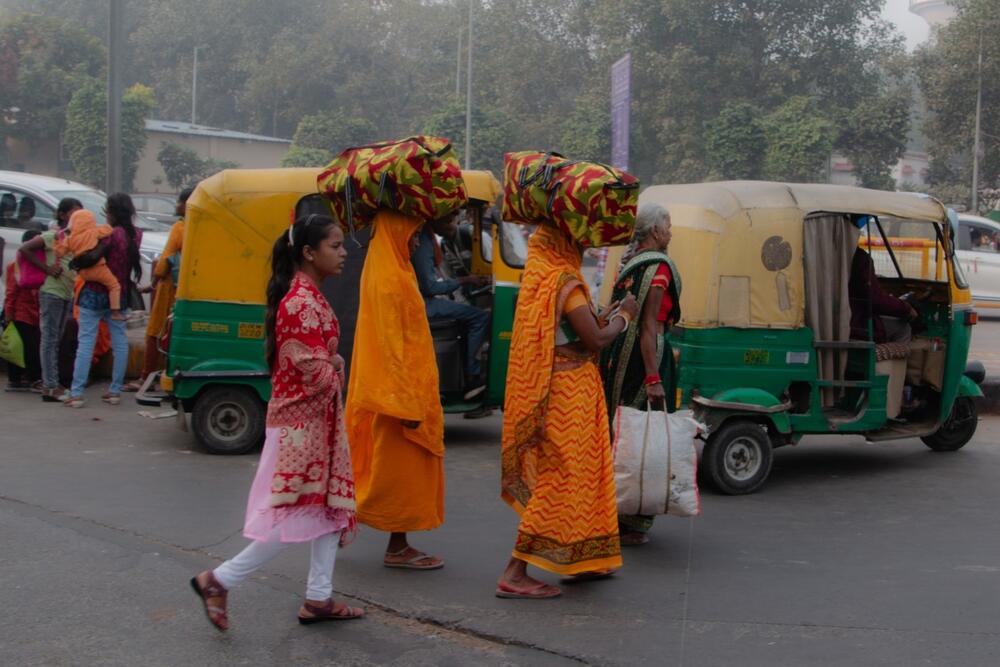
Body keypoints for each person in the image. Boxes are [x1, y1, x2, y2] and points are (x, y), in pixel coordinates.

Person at [190, 214, 363, 631]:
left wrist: (331, 362)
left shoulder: (308, 295)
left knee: (328, 509)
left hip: (313, 423)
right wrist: (337, 364)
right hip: (300, 428)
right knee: (291, 514)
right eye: (335, 246)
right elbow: (313, 371)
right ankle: (219, 579)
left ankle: (319, 597)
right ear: (308, 252)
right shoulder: (302, 302)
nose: (343, 253)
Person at [497, 224, 639, 599]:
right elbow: (594, 339)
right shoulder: (566, 282)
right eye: (577, 239)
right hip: (567, 394)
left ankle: (586, 558)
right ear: (563, 243)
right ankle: (515, 570)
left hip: (561, 387)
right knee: (561, 476)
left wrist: (600, 315)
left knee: (582, 474)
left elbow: (573, 328)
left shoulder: (539, 275)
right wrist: (624, 316)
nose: (583, 245)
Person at [346, 210, 446, 570]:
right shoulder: (389, 276)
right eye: (413, 232)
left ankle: (339, 523)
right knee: (394, 476)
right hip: (398, 399)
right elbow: (389, 344)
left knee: (379, 473)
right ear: (397, 231)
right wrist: (406, 405)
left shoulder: (394, 265)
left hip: (404, 391)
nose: (417, 240)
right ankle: (397, 547)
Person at [600, 204, 681, 546]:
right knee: (641, 439)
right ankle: (629, 520)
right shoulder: (658, 267)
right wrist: (654, 378)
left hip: (617, 357)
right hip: (646, 359)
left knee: (619, 433)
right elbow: (649, 326)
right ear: (655, 232)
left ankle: (608, 511)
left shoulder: (630, 265)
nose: (671, 233)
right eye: (668, 227)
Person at [63, 193, 143, 408]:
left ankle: (77, 393)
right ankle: (115, 391)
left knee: (86, 342)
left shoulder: (109, 234)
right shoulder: (136, 234)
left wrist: (75, 263)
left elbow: (89, 256)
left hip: (94, 292)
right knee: (119, 342)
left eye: (107, 210)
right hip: (120, 294)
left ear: (112, 211)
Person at [411, 213, 491, 399]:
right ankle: (472, 375)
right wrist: (466, 279)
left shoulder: (437, 239)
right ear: (433, 219)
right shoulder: (424, 243)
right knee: (480, 317)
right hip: (424, 302)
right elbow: (431, 286)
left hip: (428, 298)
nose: (450, 225)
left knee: (467, 314)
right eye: (446, 221)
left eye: (452, 220)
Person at [126, 186, 193, 391]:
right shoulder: (201, 226)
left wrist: (153, 282)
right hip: (188, 286)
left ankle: (146, 377)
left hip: (169, 288)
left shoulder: (180, 228)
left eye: (179, 201)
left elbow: (165, 260)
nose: (177, 205)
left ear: (186, 204)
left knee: (155, 330)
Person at [17, 198, 82, 401]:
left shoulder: (75, 239)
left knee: (55, 338)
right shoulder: (53, 236)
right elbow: (24, 249)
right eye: (74, 213)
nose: (78, 217)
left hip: (65, 293)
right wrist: (46, 269)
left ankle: (53, 383)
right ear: (63, 215)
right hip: (52, 292)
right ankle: (50, 386)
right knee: (50, 339)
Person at [56, 210, 123, 320]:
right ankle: (115, 312)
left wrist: (57, 241)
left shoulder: (70, 239)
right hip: (97, 268)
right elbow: (109, 230)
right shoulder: (94, 232)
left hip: (83, 272)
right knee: (114, 285)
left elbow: (60, 252)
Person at [849, 247, 918, 344]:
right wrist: (906, 308)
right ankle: (893, 358)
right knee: (904, 328)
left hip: (839, 322)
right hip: (857, 325)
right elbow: (876, 300)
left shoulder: (825, 253)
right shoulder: (859, 257)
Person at [3, 230, 43, 392]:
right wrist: (9, 314)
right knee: (25, 347)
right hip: (21, 312)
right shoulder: (16, 266)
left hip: (32, 312)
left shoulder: (37, 264)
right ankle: (31, 380)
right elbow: (11, 292)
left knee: (23, 346)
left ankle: (19, 379)